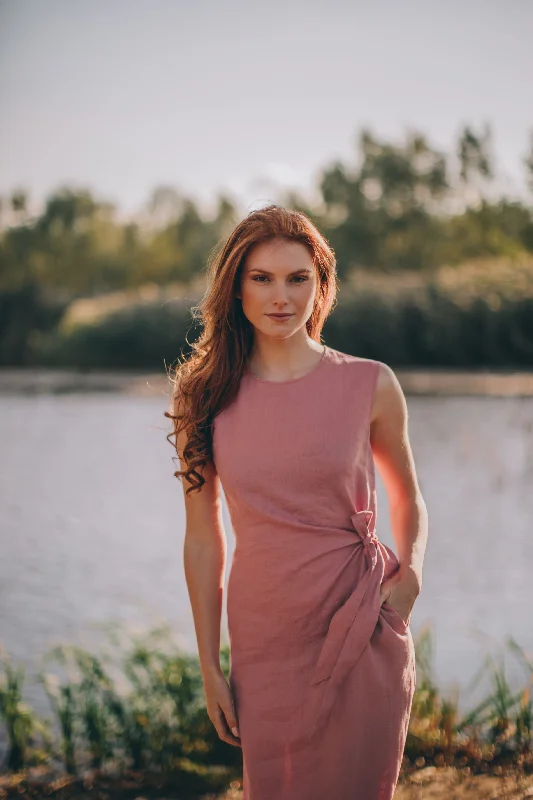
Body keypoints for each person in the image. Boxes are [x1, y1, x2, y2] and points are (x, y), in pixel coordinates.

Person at [165, 204, 428, 800]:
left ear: (321, 285)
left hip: (362, 621)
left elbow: (408, 499)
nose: (280, 296)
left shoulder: (371, 383)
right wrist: (209, 662)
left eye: (297, 278)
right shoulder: (203, 394)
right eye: (261, 278)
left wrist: (410, 575)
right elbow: (204, 538)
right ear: (234, 287)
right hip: (266, 636)